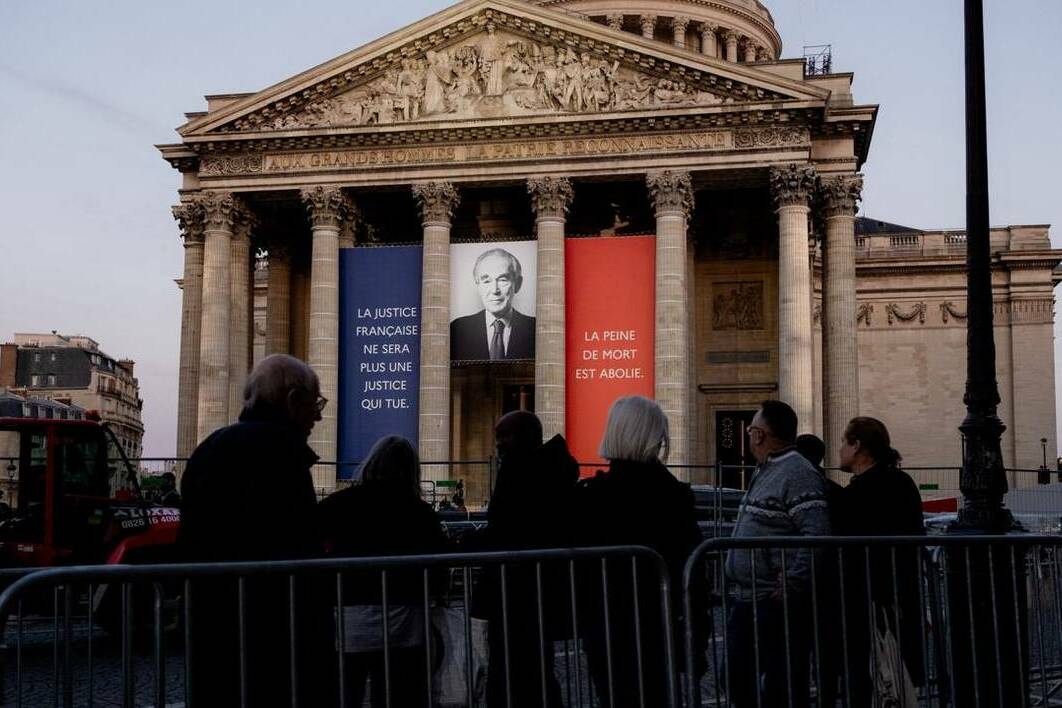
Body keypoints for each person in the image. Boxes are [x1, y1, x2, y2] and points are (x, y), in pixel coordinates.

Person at [177, 354, 333, 707]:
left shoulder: (208, 448)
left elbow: (190, 541)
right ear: (293, 401)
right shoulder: (283, 453)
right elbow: (297, 545)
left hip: (212, 618)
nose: (319, 415)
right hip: (274, 624)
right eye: (316, 403)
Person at [574, 396, 705, 707]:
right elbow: (693, 568)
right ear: (656, 437)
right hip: (658, 620)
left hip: (606, 621)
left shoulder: (594, 496)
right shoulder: (673, 494)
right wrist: (698, 634)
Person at [320, 436, 448, 708]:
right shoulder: (421, 513)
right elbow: (438, 566)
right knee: (397, 695)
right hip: (403, 623)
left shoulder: (336, 504)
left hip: (348, 620)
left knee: (345, 693)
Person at [724, 400, 831, 708]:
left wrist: (793, 582)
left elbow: (816, 531)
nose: (747, 437)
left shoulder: (796, 471)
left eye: (749, 430)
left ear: (759, 435)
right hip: (749, 596)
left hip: (770, 601)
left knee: (776, 683)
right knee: (736, 676)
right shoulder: (768, 468)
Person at [470, 410, 578, 707]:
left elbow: (507, 528)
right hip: (539, 587)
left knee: (509, 667)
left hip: (515, 588)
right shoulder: (552, 469)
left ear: (527, 437)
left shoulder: (518, 471)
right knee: (535, 667)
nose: (499, 444)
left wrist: (466, 542)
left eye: (505, 435)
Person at [835, 417, 926, 706]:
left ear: (857, 445)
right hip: (900, 596)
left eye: (843, 442)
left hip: (870, 602)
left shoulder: (858, 493)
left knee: (871, 680)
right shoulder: (901, 482)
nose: (839, 450)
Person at [450, 248, 535, 361]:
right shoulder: (457, 329)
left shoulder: (535, 329)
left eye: (503, 280)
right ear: (478, 286)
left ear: (518, 284)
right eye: (486, 281)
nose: (495, 290)